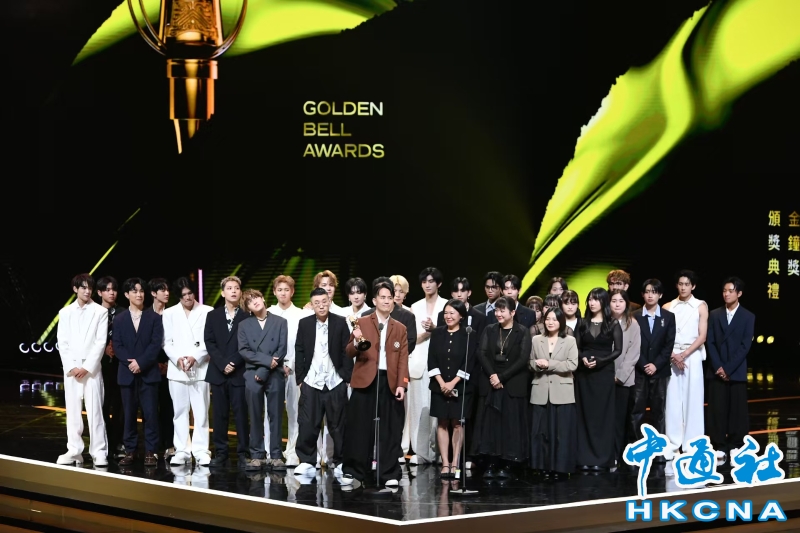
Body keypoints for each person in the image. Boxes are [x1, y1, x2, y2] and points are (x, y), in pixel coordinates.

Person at [340, 281, 409, 489]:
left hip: (389, 381)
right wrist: (356, 342)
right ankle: (354, 471)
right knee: (359, 428)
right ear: (374, 300)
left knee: (390, 429)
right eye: (382, 297)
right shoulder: (361, 322)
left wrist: (402, 384)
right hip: (365, 381)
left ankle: (388, 472)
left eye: (390, 298)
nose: (386, 301)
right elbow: (349, 351)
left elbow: (403, 359)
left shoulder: (400, 328)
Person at [293, 288, 351, 478]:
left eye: (324, 301)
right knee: (308, 423)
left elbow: (346, 351)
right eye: (317, 303)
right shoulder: (305, 323)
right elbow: (299, 350)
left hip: (335, 381)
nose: (321, 306)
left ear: (329, 301)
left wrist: (346, 378)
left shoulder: (340, 322)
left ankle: (341, 461)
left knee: (339, 424)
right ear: (312, 305)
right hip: (311, 381)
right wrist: (300, 379)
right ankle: (307, 461)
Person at [474, 296, 532, 479]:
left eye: (502, 310)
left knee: (511, 425)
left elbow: (523, 359)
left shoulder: (522, 331)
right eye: (496, 310)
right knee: (492, 425)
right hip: (492, 382)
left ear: (512, 312)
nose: (498, 314)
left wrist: (502, 377)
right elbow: (481, 353)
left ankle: (509, 462)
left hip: (512, 383)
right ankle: (492, 461)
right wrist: (493, 375)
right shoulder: (490, 329)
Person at [56, 274, 109, 466]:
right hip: (72, 371)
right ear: (75, 289)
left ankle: (99, 452)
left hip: (91, 370)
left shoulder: (100, 312)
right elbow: (62, 342)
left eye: (90, 288)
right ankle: (74, 450)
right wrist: (71, 366)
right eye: (83, 288)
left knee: (95, 412)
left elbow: (100, 342)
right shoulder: (65, 312)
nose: (87, 291)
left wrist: (86, 367)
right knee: (73, 412)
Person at [162, 277, 213, 466]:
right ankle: (182, 450)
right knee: (179, 412)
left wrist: (195, 357)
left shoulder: (207, 311)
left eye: (190, 293)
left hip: (200, 368)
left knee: (201, 412)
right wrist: (178, 359)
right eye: (183, 295)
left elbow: (210, 340)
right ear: (178, 296)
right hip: (177, 370)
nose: (188, 297)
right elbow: (166, 342)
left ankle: (201, 451)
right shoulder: (169, 313)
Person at [113, 278, 164, 466]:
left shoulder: (154, 318)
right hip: (127, 374)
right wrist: (131, 363)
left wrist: (140, 363)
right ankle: (130, 450)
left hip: (148, 373)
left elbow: (155, 344)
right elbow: (117, 345)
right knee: (128, 414)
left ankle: (151, 451)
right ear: (127, 295)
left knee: (150, 414)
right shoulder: (119, 319)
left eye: (141, 291)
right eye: (134, 291)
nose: (139, 294)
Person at [662, 270, 708, 475]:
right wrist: (673, 355)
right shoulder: (668, 306)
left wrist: (685, 354)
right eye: (680, 284)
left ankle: (693, 445)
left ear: (693, 286)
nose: (683, 287)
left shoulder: (701, 306)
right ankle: (672, 444)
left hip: (692, 356)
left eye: (687, 284)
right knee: (672, 400)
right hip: (672, 356)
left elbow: (702, 335)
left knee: (693, 400)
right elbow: (663, 336)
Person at [238, 289, 289, 471]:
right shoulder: (244, 325)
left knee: (276, 415)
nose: (255, 301)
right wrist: (266, 362)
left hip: (274, 374)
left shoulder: (280, 321)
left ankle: (276, 455)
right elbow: (244, 351)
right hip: (252, 374)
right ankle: (257, 455)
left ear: (263, 298)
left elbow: (281, 349)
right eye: (250, 301)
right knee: (255, 415)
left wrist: (264, 369)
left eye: (257, 297)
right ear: (248, 308)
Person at [706, 277, 755, 463]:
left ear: (739, 293)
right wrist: (719, 366)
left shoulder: (748, 316)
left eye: (730, 291)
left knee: (737, 411)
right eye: (724, 290)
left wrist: (728, 368)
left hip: (736, 371)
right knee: (717, 409)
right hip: (716, 369)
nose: (726, 294)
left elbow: (745, 346)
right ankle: (719, 445)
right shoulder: (715, 314)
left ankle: (736, 445)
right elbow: (710, 342)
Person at [428, 299, 478, 478]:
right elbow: (432, 360)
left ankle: (455, 462)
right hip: (439, 386)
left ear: (461, 315)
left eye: (452, 313)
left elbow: (469, 362)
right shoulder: (437, 333)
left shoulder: (469, 334)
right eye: (446, 313)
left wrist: (453, 383)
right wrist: (442, 383)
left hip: (461, 386)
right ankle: (445, 463)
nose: (448, 316)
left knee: (457, 423)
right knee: (442, 422)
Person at [574, 288, 622, 471]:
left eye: (596, 299)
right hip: (585, 374)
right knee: (584, 415)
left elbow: (618, 350)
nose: (592, 303)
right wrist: (582, 358)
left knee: (603, 415)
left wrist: (601, 361)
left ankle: (603, 460)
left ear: (603, 302)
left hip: (604, 374)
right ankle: (584, 458)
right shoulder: (582, 322)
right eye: (590, 299)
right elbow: (576, 347)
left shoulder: (613, 323)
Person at [204, 276, 250, 467]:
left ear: (240, 292)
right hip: (218, 372)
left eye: (236, 288)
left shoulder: (247, 316)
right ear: (223, 293)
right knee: (219, 415)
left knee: (241, 415)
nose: (233, 291)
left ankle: (243, 453)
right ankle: (221, 452)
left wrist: (233, 362)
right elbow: (209, 342)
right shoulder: (212, 315)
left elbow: (248, 344)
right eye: (229, 288)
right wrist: (223, 363)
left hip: (239, 373)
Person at [529, 307, 578, 478]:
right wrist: (538, 365)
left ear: (561, 322)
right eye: (548, 319)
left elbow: (572, 364)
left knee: (561, 434)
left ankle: (561, 469)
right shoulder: (536, 339)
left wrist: (549, 364)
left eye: (554, 319)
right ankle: (542, 467)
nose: (550, 322)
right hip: (540, 391)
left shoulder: (570, 340)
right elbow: (530, 362)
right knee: (540, 432)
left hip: (562, 392)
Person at [266, 275, 309, 467]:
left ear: (292, 291)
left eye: (286, 290)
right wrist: (274, 363)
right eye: (279, 290)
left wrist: (289, 363)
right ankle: (270, 450)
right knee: (270, 411)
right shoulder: (268, 312)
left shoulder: (301, 314)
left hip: (294, 369)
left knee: (294, 411)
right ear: (274, 292)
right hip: (271, 368)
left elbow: (301, 344)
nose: (283, 293)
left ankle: (292, 451)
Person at [406, 267, 447, 465]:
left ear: (439, 284)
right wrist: (427, 333)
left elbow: (450, 333)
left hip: (440, 362)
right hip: (418, 361)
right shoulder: (415, 306)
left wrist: (435, 330)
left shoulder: (446, 305)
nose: (427, 285)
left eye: (431, 281)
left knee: (436, 408)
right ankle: (420, 452)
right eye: (424, 281)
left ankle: (438, 452)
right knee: (418, 409)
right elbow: (412, 337)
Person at [631, 279, 675, 446]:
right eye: (647, 292)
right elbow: (632, 344)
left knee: (659, 411)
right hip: (639, 370)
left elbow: (668, 345)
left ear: (660, 295)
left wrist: (656, 365)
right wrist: (644, 364)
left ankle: (659, 448)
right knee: (637, 410)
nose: (650, 295)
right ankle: (636, 446)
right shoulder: (634, 316)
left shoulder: (668, 317)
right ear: (642, 294)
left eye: (654, 292)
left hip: (660, 370)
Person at [609, 289, 641, 464]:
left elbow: (633, 353)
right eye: (614, 301)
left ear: (626, 304)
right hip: (603, 379)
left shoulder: (632, 324)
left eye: (621, 301)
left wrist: (620, 375)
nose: (617, 304)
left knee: (619, 420)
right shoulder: (603, 322)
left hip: (623, 380)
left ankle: (616, 455)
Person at [96, 276, 126, 460]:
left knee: (120, 406)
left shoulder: (123, 312)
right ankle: (103, 442)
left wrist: (116, 347)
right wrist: (103, 349)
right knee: (102, 405)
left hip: (120, 365)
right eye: (107, 290)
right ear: (99, 292)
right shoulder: (94, 312)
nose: (112, 293)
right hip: (99, 366)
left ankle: (119, 442)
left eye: (114, 289)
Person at [148, 277, 174, 461]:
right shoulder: (145, 315)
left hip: (170, 367)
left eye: (167, 290)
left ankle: (170, 445)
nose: (166, 293)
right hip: (150, 367)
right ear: (153, 293)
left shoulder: (172, 314)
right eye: (162, 290)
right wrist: (153, 363)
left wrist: (168, 364)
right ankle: (153, 447)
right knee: (150, 409)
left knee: (169, 408)